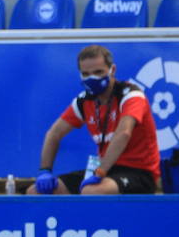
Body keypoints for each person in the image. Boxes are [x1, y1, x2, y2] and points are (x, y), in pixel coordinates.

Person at [29, 44, 161, 196]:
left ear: (113, 70)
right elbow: (54, 134)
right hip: (105, 170)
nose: (92, 78)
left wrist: (100, 172)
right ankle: (71, 220)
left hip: (138, 173)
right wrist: (45, 171)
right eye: (86, 74)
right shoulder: (84, 101)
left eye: (98, 72)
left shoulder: (131, 95)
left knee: (91, 191)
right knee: (37, 191)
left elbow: (124, 133)